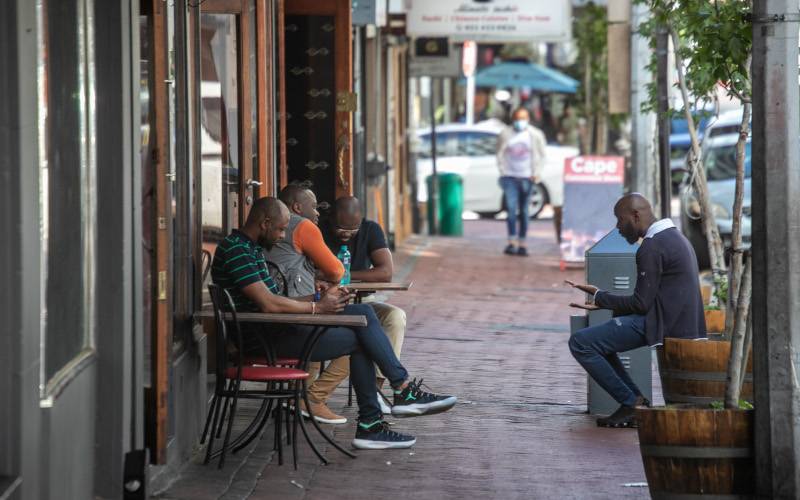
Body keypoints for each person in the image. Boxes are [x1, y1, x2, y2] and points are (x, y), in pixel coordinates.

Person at [211, 197, 457, 449]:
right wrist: (318, 307)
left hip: (275, 329)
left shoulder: (249, 248)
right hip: (265, 339)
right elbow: (269, 305)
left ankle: (392, 400)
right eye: (281, 229)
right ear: (264, 223)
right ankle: (383, 411)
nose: (283, 235)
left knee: (361, 312)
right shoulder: (236, 249)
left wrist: (319, 298)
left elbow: (274, 300)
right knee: (362, 337)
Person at [565, 193, 706, 428]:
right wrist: (604, 300)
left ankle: (631, 403)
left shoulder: (652, 246)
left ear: (636, 215)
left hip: (662, 323)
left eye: (620, 220)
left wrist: (601, 297)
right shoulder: (675, 238)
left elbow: (641, 304)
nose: (618, 228)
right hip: (678, 320)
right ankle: (635, 403)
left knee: (581, 342)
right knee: (599, 341)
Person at [305, 196, 407, 419]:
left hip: (362, 302)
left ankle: (376, 388)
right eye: (341, 228)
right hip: (325, 301)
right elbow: (307, 273)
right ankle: (312, 396)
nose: (346, 233)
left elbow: (385, 272)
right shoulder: (316, 231)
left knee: (395, 317)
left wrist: (341, 275)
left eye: (353, 229)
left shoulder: (371, 230)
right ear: (330, 218)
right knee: (363, 336)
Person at [264, 183, 344, 297]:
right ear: (297, 207)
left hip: (275, 296)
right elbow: (336, 272)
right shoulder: (302, 225)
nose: (317, 212)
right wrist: (316, 274)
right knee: (367, 309)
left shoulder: (267, 224)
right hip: (297, 305)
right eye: (314, 207)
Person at [495, 107, 547, 256]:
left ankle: (522, 243)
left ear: (528, 119)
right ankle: (511, 242)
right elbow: (499, 153)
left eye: (523, 118)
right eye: (517, 118)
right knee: (511, 210)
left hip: (527, 177)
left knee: (524, 211)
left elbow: (542, 155)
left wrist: (536, 173)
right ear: (513, 119)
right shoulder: (506, 134)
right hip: (510, 177)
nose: (520, 122)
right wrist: (503, 172)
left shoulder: (535, 135)